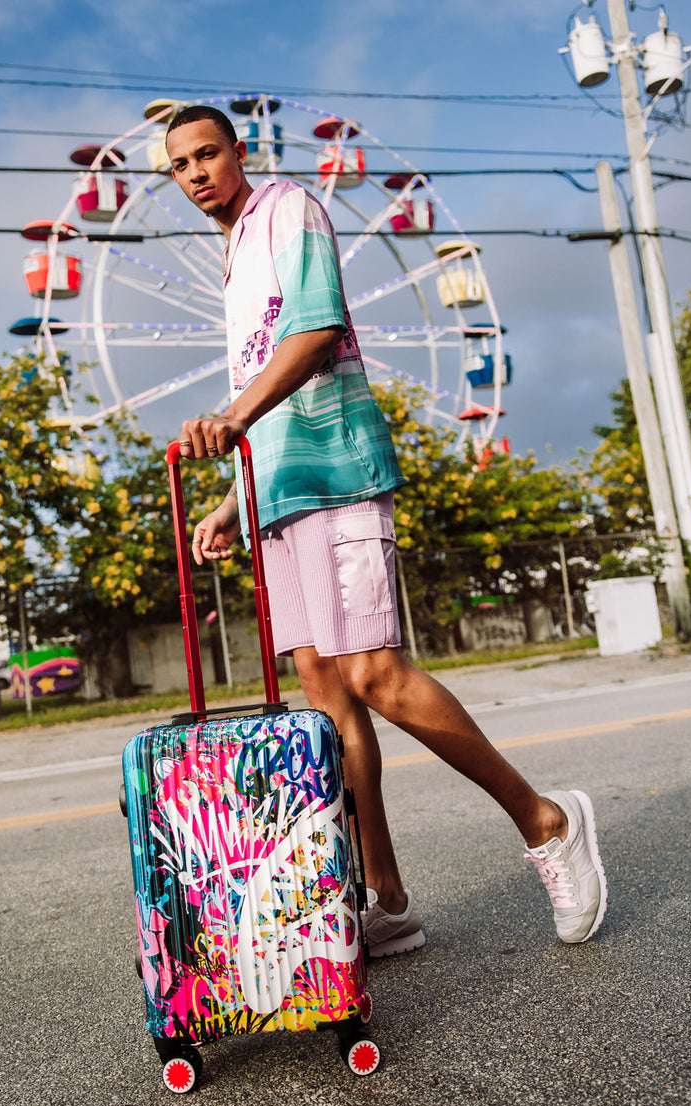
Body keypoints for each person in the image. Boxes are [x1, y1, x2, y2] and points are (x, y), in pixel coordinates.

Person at [166, 105, 607, 955]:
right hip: (280, 494)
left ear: (239, 153)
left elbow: (318, 329)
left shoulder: (287, 208)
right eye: (178, 164)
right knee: (328, 705)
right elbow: (265, 388)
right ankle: (386, 894)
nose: (194, 172)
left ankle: (546, 818)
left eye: (207, 153)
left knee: (376, 674)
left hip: (338, 472)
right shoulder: (230, 258)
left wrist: (230, 413)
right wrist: (233, 500)